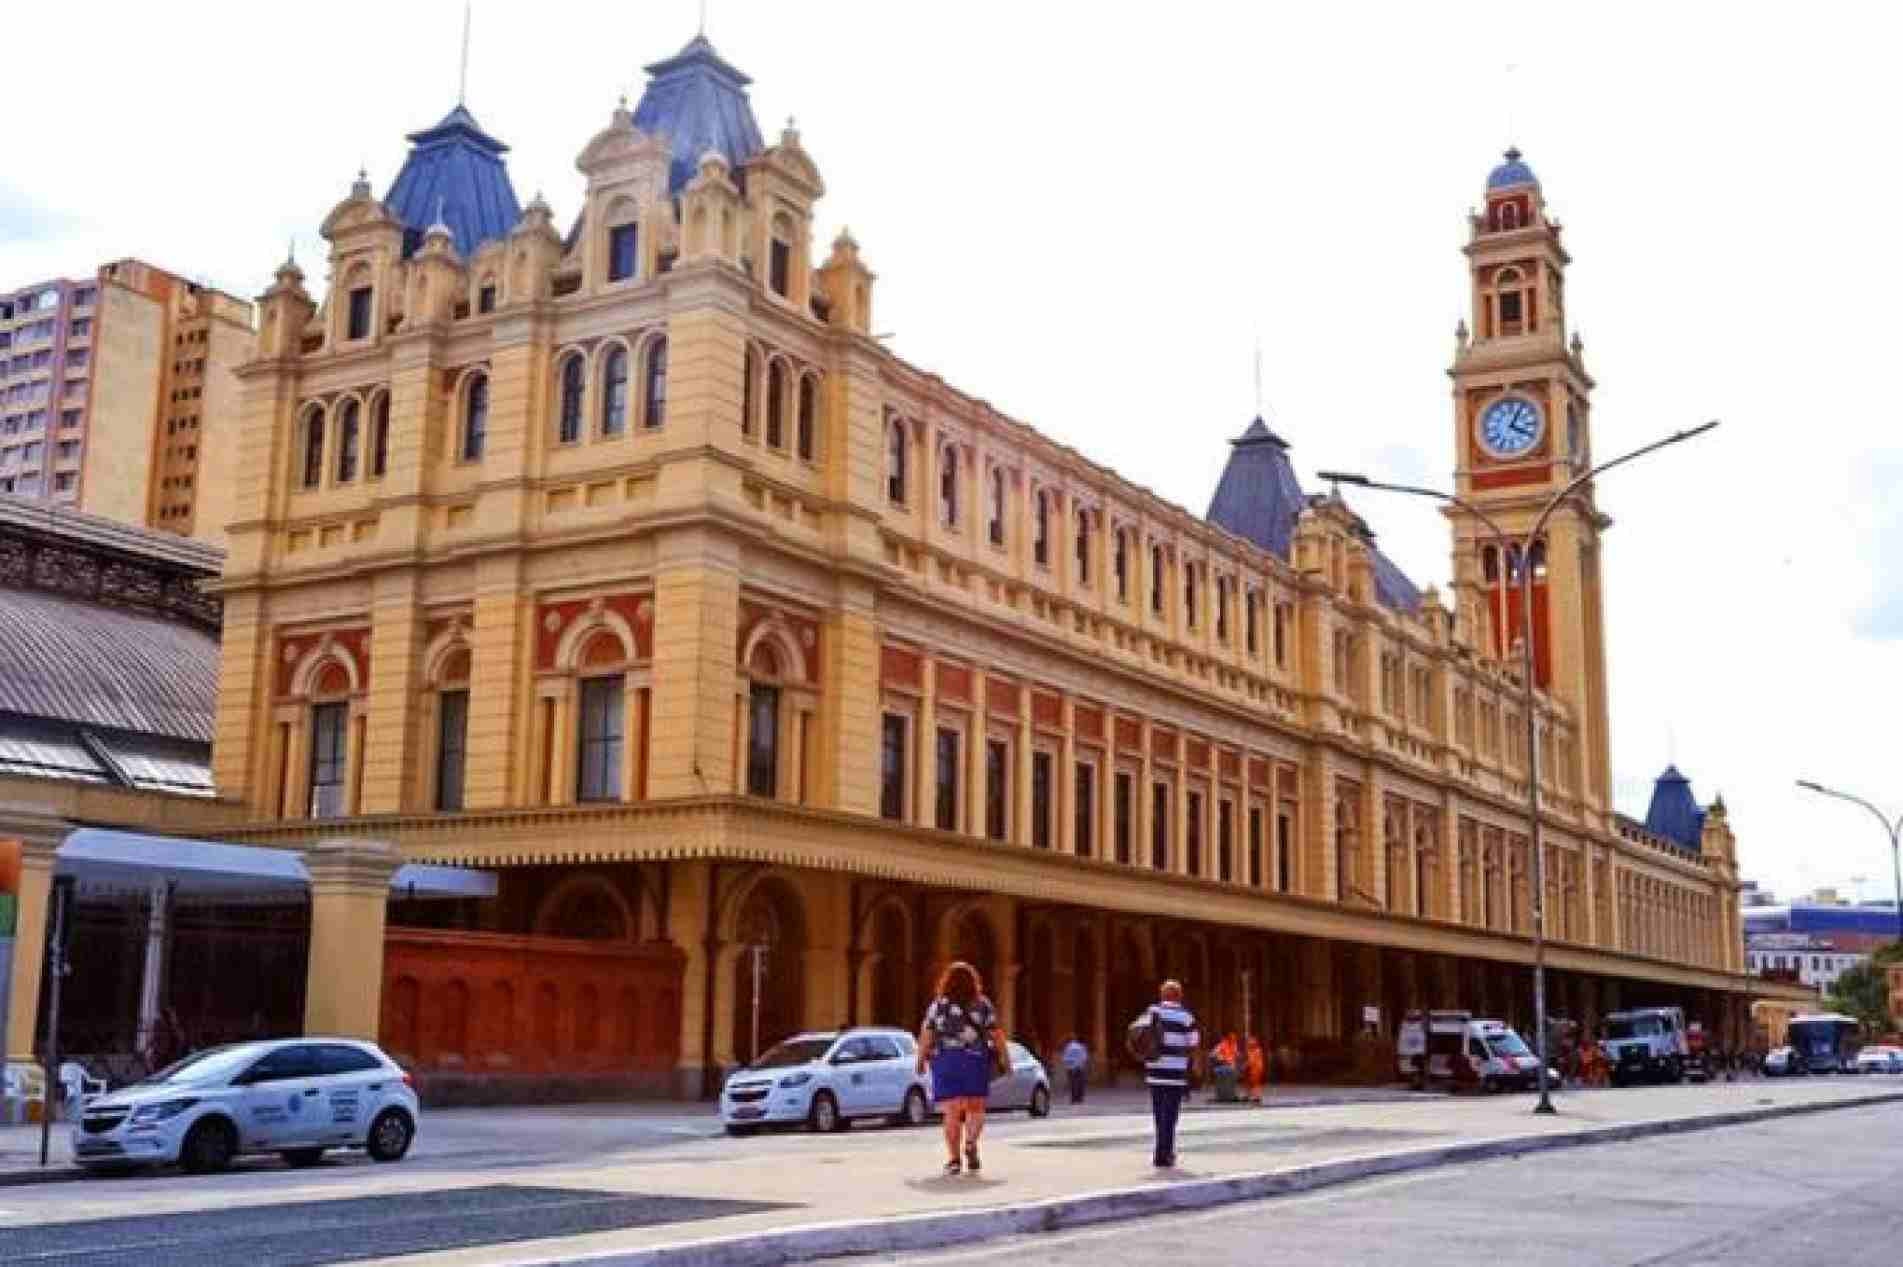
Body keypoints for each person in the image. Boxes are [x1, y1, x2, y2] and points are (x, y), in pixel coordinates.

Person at [917, 960, 1004, 1176]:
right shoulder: (982, 1004)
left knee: (951, 1112)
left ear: (946, 981)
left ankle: (954, 1159)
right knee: (976, 1108)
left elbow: (927, 1034)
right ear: (974, 982)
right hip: (975, 1059)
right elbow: (996, 1033)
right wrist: (1005, 1059)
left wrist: (919, 1060)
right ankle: (971, 1142)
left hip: (946, 1060)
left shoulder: (938, 1006)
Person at [1133, 979, 1200, 1168]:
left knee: (1158, 1113)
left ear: (1162, 995)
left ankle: (1160, 1152)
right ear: (1179, 996)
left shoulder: (1151, 1011)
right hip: (1175, 1073)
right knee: (1170, 1115)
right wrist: (1194, 1066)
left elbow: (1137, 1033)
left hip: (1154, 1070)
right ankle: (1164, 1154)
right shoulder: (1186, 1017)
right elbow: (1193, 1043)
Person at [1060, 1034, 1089, 1105]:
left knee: (1072, 1083)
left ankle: (1073, 1099)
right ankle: (1079, 1099)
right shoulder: (1081, 1047)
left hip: (1070, 1068)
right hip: (1079, 1067)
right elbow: (1084, 1057)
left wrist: (1068, 1064)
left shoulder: (1068, 1047)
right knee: (1080, 1084)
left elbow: (1064, 1058)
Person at [1244, 1035, 1266, 1104]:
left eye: (1250, 1043)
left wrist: (1246, 1065)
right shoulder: (1251, 1050)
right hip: (1254, 1068)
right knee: (1249, 1083)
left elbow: (1251, 1060)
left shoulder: (1256, 1051)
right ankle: (1250, 1095)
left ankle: (1257, 1097)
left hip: (1255, 1069)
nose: (1248, 1044)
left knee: (1254, 1083)